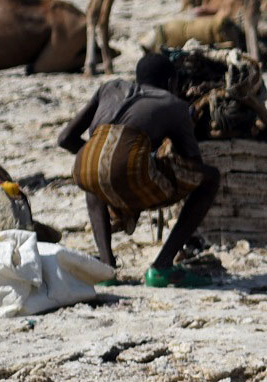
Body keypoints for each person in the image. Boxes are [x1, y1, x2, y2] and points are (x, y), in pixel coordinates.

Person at [56, 51, 221, 285]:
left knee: (94, 165)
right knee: (210, 178)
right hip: (130, 172)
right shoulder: (173, 104)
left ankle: (106, 268)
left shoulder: (109, 88)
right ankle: (162, 266)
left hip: (85, 169)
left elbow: (65, 139)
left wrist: (107, 155)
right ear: (171, 82)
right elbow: (193, 164)